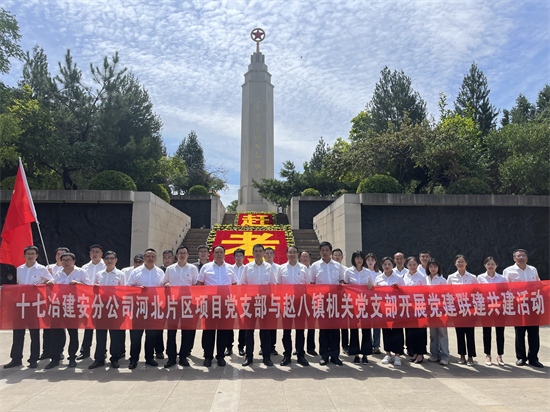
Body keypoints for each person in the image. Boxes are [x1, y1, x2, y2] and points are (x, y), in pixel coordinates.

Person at [4, 246, 53, 369]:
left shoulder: (42, 269)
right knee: (18, 332)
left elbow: (51, 282)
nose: (30, 256)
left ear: (37, 255)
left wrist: (43, 284)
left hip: (34, 304)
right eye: (28, 254)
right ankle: (16, 358)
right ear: (24, 256)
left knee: (34, 333)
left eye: (33, 254)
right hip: (20, 304)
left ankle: (33, 358)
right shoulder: (19, 269)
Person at [45, 252, 91, 369]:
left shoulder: (81, 272)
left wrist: (79, 284)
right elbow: (54, 286)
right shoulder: (58, 273)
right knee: (55, 333)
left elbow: (89, 287)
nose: (66, 262)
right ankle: (55, 357)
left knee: (73, 333)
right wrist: (50, 283)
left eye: (69, 260)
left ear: (74, 261)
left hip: (73, 306)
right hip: (59, 306)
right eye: (64, 260)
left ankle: (72, 357)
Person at [197, 245, 237, 367]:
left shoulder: (230, 268)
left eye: (221, 252)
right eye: (216, 252)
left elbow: (235, 285)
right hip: (209, 303)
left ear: (225, 254)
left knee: (223, 331)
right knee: (208, 330)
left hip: (225, 303)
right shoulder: (206, 267)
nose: (219, 254)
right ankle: (208, 356)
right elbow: (199, 284)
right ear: (213, 254)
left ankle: (220, 356)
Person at [503, 249, 543, 368]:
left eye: (523, 255)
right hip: (518, 305)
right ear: (514, 258)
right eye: (518, 256)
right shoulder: (508, 271)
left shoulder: (533, 269)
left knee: (534, 332)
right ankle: (521, 357)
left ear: (527, 257)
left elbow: (538, 284)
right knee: (520, 332)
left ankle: (533, 358)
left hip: (532, 305)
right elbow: (504, 288)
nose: (521, 257)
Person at [126, 248, 165, 369]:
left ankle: (149, 357)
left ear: (156, 259)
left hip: (153, 307)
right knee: (136, 336)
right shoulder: (136, 272)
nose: (150, 258)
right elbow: (128, 287)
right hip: (138, 307)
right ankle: (134, 359)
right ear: (143, 258)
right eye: (148, 256)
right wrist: (137, 289)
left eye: (153, 256)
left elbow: (163, 288)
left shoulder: (160, 272)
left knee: (151, 335)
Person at [310, 241, 346, 366]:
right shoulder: (315, 266)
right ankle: (324, 355)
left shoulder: (338, 266)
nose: (325, 252)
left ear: (331, 252)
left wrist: (341, 284)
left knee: (335, 330)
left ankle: (335, 355)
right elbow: (312, 283)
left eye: (327, 250)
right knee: (324, 330)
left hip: (336, 300)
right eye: (322, 250)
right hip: (322, 301)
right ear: (320, 252)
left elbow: (342, 280)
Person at [240, 244, 277, 367]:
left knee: (265, 331)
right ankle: (249, 356)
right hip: (251, 302)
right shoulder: (247, 267)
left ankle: (266, 356)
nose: (258, 253)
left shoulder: (269, 267)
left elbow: (273, 284)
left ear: (264, 253)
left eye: (260, 251)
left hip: (265, 302)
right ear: (252, 252)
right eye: (256, 251)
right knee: (249, 331)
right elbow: (242, 285)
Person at [163, 246, 198, 368]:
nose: (182, 255)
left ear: (188, 255)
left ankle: (183, 356)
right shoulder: (170, 269)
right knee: (171, 331)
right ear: (176, 256)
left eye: (184, 253)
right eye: (180, 253)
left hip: (187, 304)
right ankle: (171, 357)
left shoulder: (193, 269)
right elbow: (164, 283)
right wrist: (166, 284)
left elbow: (195, 286)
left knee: (186, 331)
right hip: (173, 303)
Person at [89, 251, 124, 369]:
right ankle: (99, 359)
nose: (109, 260)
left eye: (112, 258)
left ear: (116, 260)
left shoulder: (120, 274)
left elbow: (124, 292)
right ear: (104, 260)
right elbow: (93, 290)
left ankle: (115, 358)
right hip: (101, 307)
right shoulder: (99, 274)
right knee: (100, 334)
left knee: (115, 335)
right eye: (107, 258)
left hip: (115, 307)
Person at [277, 245, 310, 367]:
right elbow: (278, 286)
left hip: (300, 303)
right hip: (286, 303)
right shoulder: (281, 268)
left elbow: (308, 287)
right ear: (286, 254)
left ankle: (301, 355)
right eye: (290, 252)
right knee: (286, 331)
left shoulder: (303, 268)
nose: (292, 254)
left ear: (298, 255)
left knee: (300, 331)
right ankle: (287, 355)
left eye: (294, 252)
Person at [76, 244, 106, 361]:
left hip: (102, 301)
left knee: (101, 328)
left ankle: (102, 352)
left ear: (101, 254)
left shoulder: (106, 266)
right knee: (88, 326)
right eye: (92, 251)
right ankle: (85, 350)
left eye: (97, 252)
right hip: (88, 300)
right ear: (89, 254)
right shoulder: (84, 267)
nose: (94, 254)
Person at [344, 250, 374, 365]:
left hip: (366, 304)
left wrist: (371, 287)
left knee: (366, 330)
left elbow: (372, 287)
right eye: (357, 257)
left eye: (361, 257)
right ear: (353, 259)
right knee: (354, 329)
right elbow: (345, 287)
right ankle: (356, 354)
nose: (359, 260)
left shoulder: (368, 272)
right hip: (352, 304)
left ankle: (365, 354)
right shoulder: (348, 271)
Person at [447, 254, 478, 366]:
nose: (460, 263)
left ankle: (470, 357)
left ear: (466, 263)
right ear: (455, 264)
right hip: (457, 309)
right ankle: (462, 355)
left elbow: (477, 293)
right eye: (458, 262)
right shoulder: (451, 277)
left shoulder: (473, 277)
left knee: (470, 333)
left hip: (470, 310)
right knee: (459, 333)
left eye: (462, 261)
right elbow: (448, 293)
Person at [374, 257, 405, 366]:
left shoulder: (399, 277)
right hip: (384, 309)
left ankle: (397, 355)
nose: (387, 266)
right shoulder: (378, 278)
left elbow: (405, 292)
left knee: (397, 332)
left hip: (396, 309)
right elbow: (375, 293)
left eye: (389, 264)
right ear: (381, 266)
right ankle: (388, 354)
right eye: (384, 264)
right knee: (386, 331)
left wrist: (398, 288)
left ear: (392, 265)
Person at [41, 246, 70, 361]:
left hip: (62, 302)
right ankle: (46, 351)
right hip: (48, 301)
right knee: (46, 328)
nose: (60, 256)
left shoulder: (69, 269)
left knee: (60, 328)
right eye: (58, 254)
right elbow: (42, 282)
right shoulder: (48, 268)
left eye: (63, 254)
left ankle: (59, 351)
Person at [478, 256, 506, 366]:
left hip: (499, 308)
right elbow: (478, 293)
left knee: (500, 333)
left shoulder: (502, 278)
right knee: (486, 332)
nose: (490, 266)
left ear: (496, 266)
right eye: (488, 264)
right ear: (485, 265)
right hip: (486, 309)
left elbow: (505, 292)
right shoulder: (480, 278)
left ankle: (500, 356)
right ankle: (488, 355)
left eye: (492, 264)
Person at [403, 256, 427, 364]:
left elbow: (425, 292)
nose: (412, 267)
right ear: (406, 266)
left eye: (414, 264)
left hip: (420, 307)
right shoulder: (404, 276)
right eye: (410, 265)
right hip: (409, 307)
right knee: (411, 331)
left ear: (417, 265)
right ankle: (414, 353)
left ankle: (421, 354)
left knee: (420, 331)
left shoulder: (422, 277)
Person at [426, 258, 450, 366]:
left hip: (440, 309)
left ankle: (444, 355)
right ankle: (434, 354)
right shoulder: (425, 279)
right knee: (433, 333)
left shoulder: (442, 279)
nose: (433, 268)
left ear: (438, 268)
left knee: (442, 333)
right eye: (431, 266)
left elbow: (445, 294)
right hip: (429, 310)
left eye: (435, 266)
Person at [120, 253, 144, 358]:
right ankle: (121, 351)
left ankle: (134, 356)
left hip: (139, 306)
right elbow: (121, 287)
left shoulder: (145, 272)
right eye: (136, 261)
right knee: (121, 330)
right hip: (124, 304)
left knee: (135, 333)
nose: (138, 263)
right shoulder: (124, 271)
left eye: (140, 262)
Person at [226, 248, 246, 357]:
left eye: (240, 256)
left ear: (243, 257)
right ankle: (229, 347)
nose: (238, 258)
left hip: (244, 300)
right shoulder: (229, 269)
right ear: (234, 257)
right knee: (230, 324)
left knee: (243, 324)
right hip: (231, 299)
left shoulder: (247, 268)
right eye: (236, 256)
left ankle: (241, 346)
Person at [190, 245, 210, 356]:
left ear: (208, 253)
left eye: (205, 251)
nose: (203, 253)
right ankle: (188, 348)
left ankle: (205, 349)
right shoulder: (192, 267)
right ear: (198, 254)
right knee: (191, 325)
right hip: (194, 301)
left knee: (206, 326)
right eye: (201, 251)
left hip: (208, 301)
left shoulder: (212, 266)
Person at [299, 250, 318, 356]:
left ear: (310, 259)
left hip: (313, 299)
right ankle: (299, 348)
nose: (305, 258)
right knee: (299, 326)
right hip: (300, 300)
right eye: (303, 257)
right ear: (300, 259)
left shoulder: (314, 269)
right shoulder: (297, 268)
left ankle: (311, 348)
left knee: (311, 325)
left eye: (307, 256)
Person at [332, 248, 349, 355]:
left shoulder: (346, 270)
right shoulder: (330, 268)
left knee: (344, 324)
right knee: (333, 325)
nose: (337, 257)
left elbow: (348, 283)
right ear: (332, 257)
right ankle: (333, 346)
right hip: (331, 300)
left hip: (344, 300)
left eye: (339, 255)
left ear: (342, 257)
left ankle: (345, 345)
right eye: (335, 255)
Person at [365, 252, 382, 354]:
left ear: (375, 261)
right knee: (367, 324)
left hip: (377, 301)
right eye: (368, 260)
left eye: (372, 260)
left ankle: (376, 345)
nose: (370, 262)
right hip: (366, 301)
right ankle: (369, 344)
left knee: (376, 325)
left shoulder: (379, 274)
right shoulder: (363, 273)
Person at [264, 247, 279, 357]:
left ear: (274, 255)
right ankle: (263, 347)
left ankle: (272, 347)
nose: (269, 255)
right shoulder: (260, 267)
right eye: (267, 253)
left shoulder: (279, 268)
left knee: (273, 324)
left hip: (275, 299)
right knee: (263, 325)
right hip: (262, 300)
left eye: (270, 253)